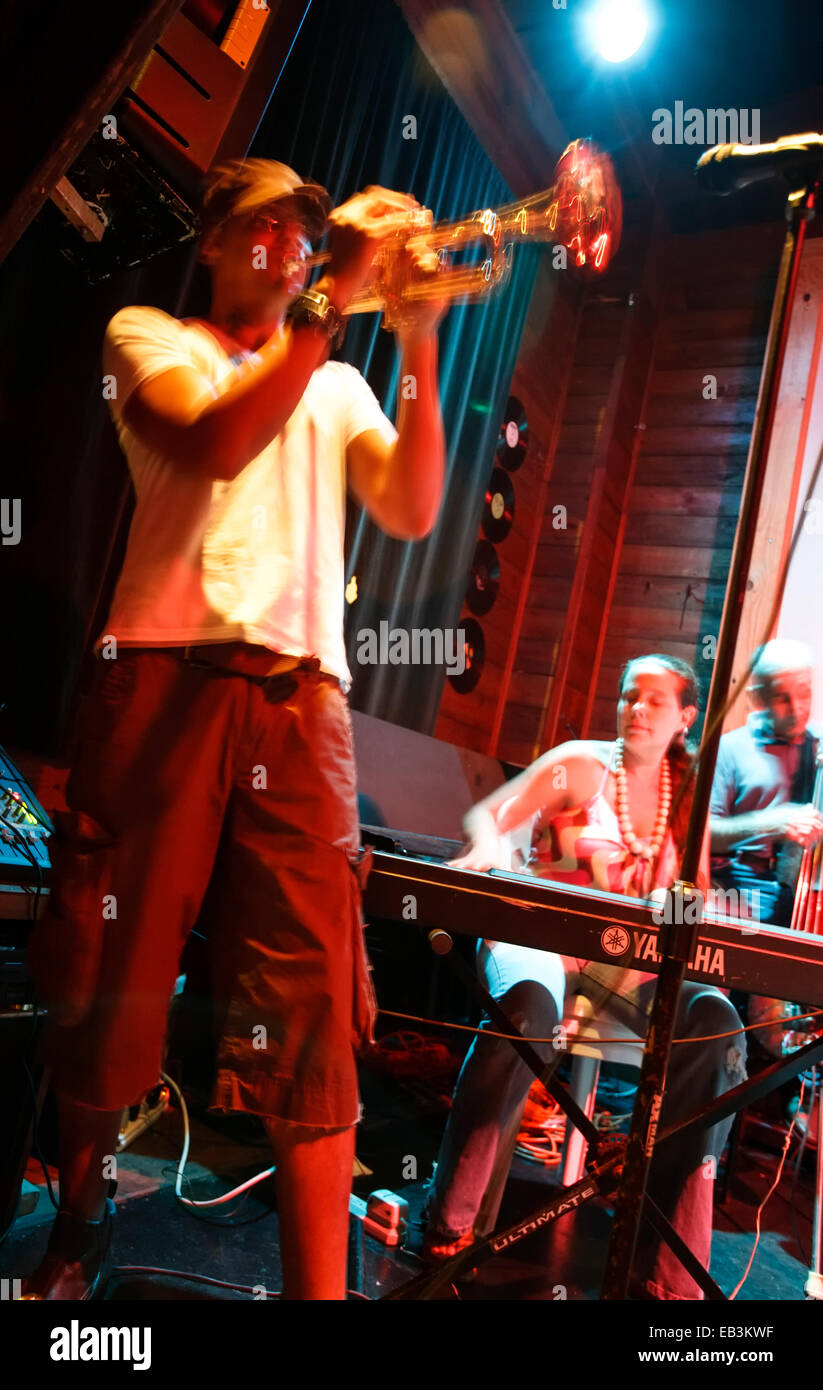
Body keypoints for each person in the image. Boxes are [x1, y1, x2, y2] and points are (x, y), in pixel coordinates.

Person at [24, 157, 447, 1300]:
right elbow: (207, 443)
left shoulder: (337, 379)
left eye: (306, 237)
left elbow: (411, 509)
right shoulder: (147, 337)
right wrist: (325, 310)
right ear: (213, 243)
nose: (291, 249)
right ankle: (80, 1209)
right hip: (159, 678)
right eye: (266, 227)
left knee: (313, 1010)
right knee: (111, 972)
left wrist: (412, 336)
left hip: (304, 704)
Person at [423, 654, 747, 1300]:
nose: (635, 709)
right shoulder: (579, 763)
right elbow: (492, 817)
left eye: (654, 702)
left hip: (626, 980)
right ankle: (449, 1230)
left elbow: (696, 904)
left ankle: (666, 1276)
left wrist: (700, 912)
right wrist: (492, 848)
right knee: (527, 1008)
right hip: (544, 950)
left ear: (683, 720)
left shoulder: (687, 798)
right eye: (629, 696)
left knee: (715, 1026)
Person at [710, 639, 823, 928]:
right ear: (758, 697)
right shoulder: (728, 748)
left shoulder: (818, 746)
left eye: (804, 694)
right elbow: (703, 833)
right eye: (781, 698)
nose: (796, 708)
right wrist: (769, 823)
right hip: (737, 890)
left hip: (808, 895)